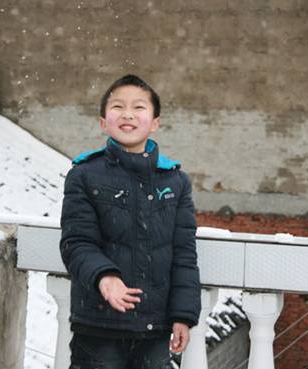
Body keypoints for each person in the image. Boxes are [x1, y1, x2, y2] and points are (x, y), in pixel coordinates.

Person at [60, 74, 201, 369]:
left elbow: (184, 254)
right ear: (103, 122)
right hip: (98, 326)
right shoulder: (84, 175)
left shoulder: (175, 181)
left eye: (139, 107)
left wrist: (182, 315)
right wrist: (105, 278)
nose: (127, 114)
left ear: (155, 122)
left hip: (155, 329)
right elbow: (77, 241)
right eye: (117, 107)